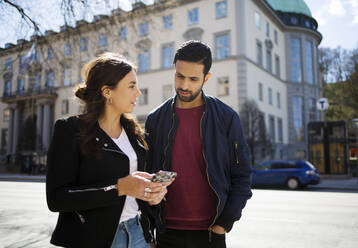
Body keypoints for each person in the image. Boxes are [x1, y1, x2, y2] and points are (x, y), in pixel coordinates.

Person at [46, 53, 170, 248]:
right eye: (131, 86)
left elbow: (135, 192)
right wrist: (119, 187)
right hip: (96, 239)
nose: (138, 92)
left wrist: (151, 195)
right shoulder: (70, 130)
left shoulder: (134, 132)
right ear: (107, 91)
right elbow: (57, 199)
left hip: (138, 233)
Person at [145, 40, 253, 248]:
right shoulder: (155, 119)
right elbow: (147, 174)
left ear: (207, 78)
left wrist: (224, 223)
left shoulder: (226, 117)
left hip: (211, 233)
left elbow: (242, 175)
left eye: (193, 79)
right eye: (179, 76)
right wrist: (150, 231)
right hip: (166, 233)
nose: (184, 85)